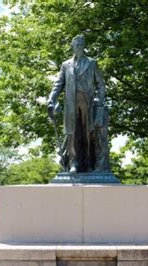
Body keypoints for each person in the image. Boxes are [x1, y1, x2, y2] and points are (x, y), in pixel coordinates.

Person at [48, 35, 106, 173]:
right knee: (72, 133)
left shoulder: (92, 63)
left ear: (84, 46)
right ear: (72, 46)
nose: (79, 47)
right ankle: (74, 163)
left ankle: (87, 162)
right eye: (76, 45)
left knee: (88, 133)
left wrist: (100, 102)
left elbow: (101, 83)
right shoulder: (66, 65)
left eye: (81, 44)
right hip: (71, 103)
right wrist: (51, 98)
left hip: (88, 102)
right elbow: (58, 84)